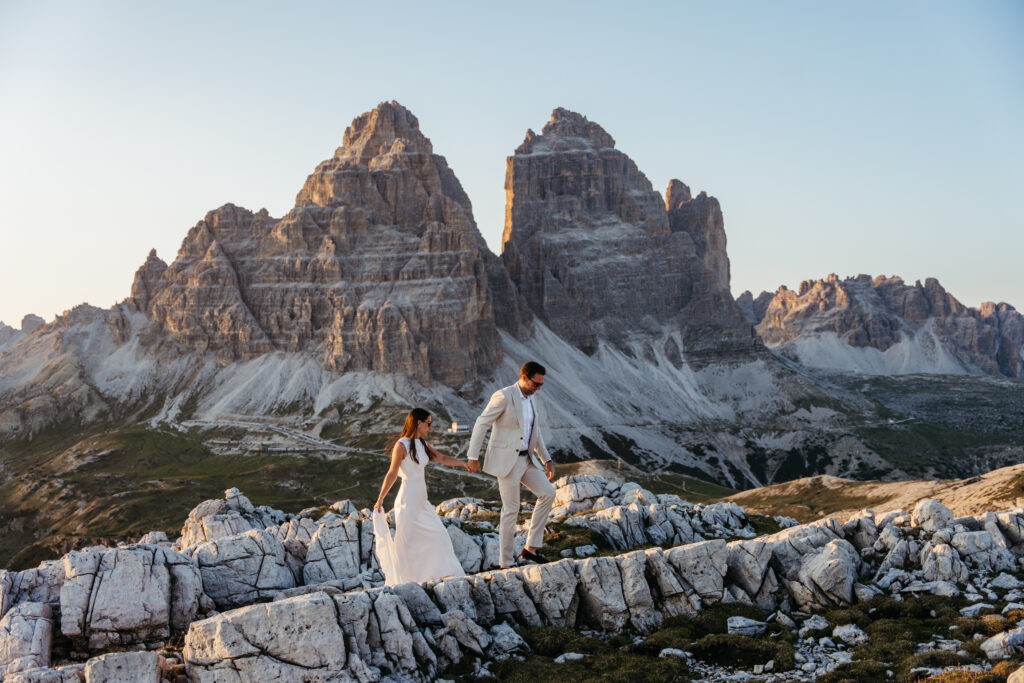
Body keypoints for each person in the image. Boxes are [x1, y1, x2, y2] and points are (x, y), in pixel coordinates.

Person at [467, 361, 556, 569]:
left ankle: (530, 549)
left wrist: (547, 459)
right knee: (511, 509)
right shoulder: (504, 396)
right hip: (508, 461)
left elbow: (536, 431)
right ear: (524, 378)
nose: (539, 389)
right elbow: (482, 423)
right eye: (536, 384)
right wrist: (473, 456)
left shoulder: (532, 399)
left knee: (548, 493)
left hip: (528, 459)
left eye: (541, 385)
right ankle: (505, 563)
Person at [373, 408, 468, 585]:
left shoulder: (422, 444)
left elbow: (442, 458)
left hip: (422, 502)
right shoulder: (401, 446)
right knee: (408, 544)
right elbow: (392, 473)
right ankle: (408, 581)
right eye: (428, 423)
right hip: (407, 502)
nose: (430, 428)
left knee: (439, 535)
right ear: (418, 423)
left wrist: (463, 463)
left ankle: (437, 574)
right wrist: (380, 499)